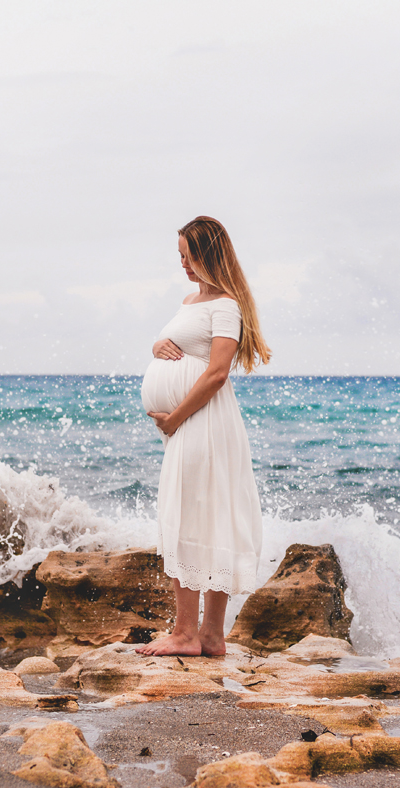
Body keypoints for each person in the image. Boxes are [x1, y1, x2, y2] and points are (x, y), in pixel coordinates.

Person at [137, 216, 270, 657]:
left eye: (189, 256)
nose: (183, 264)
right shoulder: (190, 300)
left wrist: (174, 418)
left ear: (210, 255)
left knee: (201, 515)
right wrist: (157, 346)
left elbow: (216, 373)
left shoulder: (227, 306)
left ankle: (188, 634)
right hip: (187, 424)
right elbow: (178, 344)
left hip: (202, 422)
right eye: (179, 256)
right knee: (195, 512)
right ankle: (210, 637)